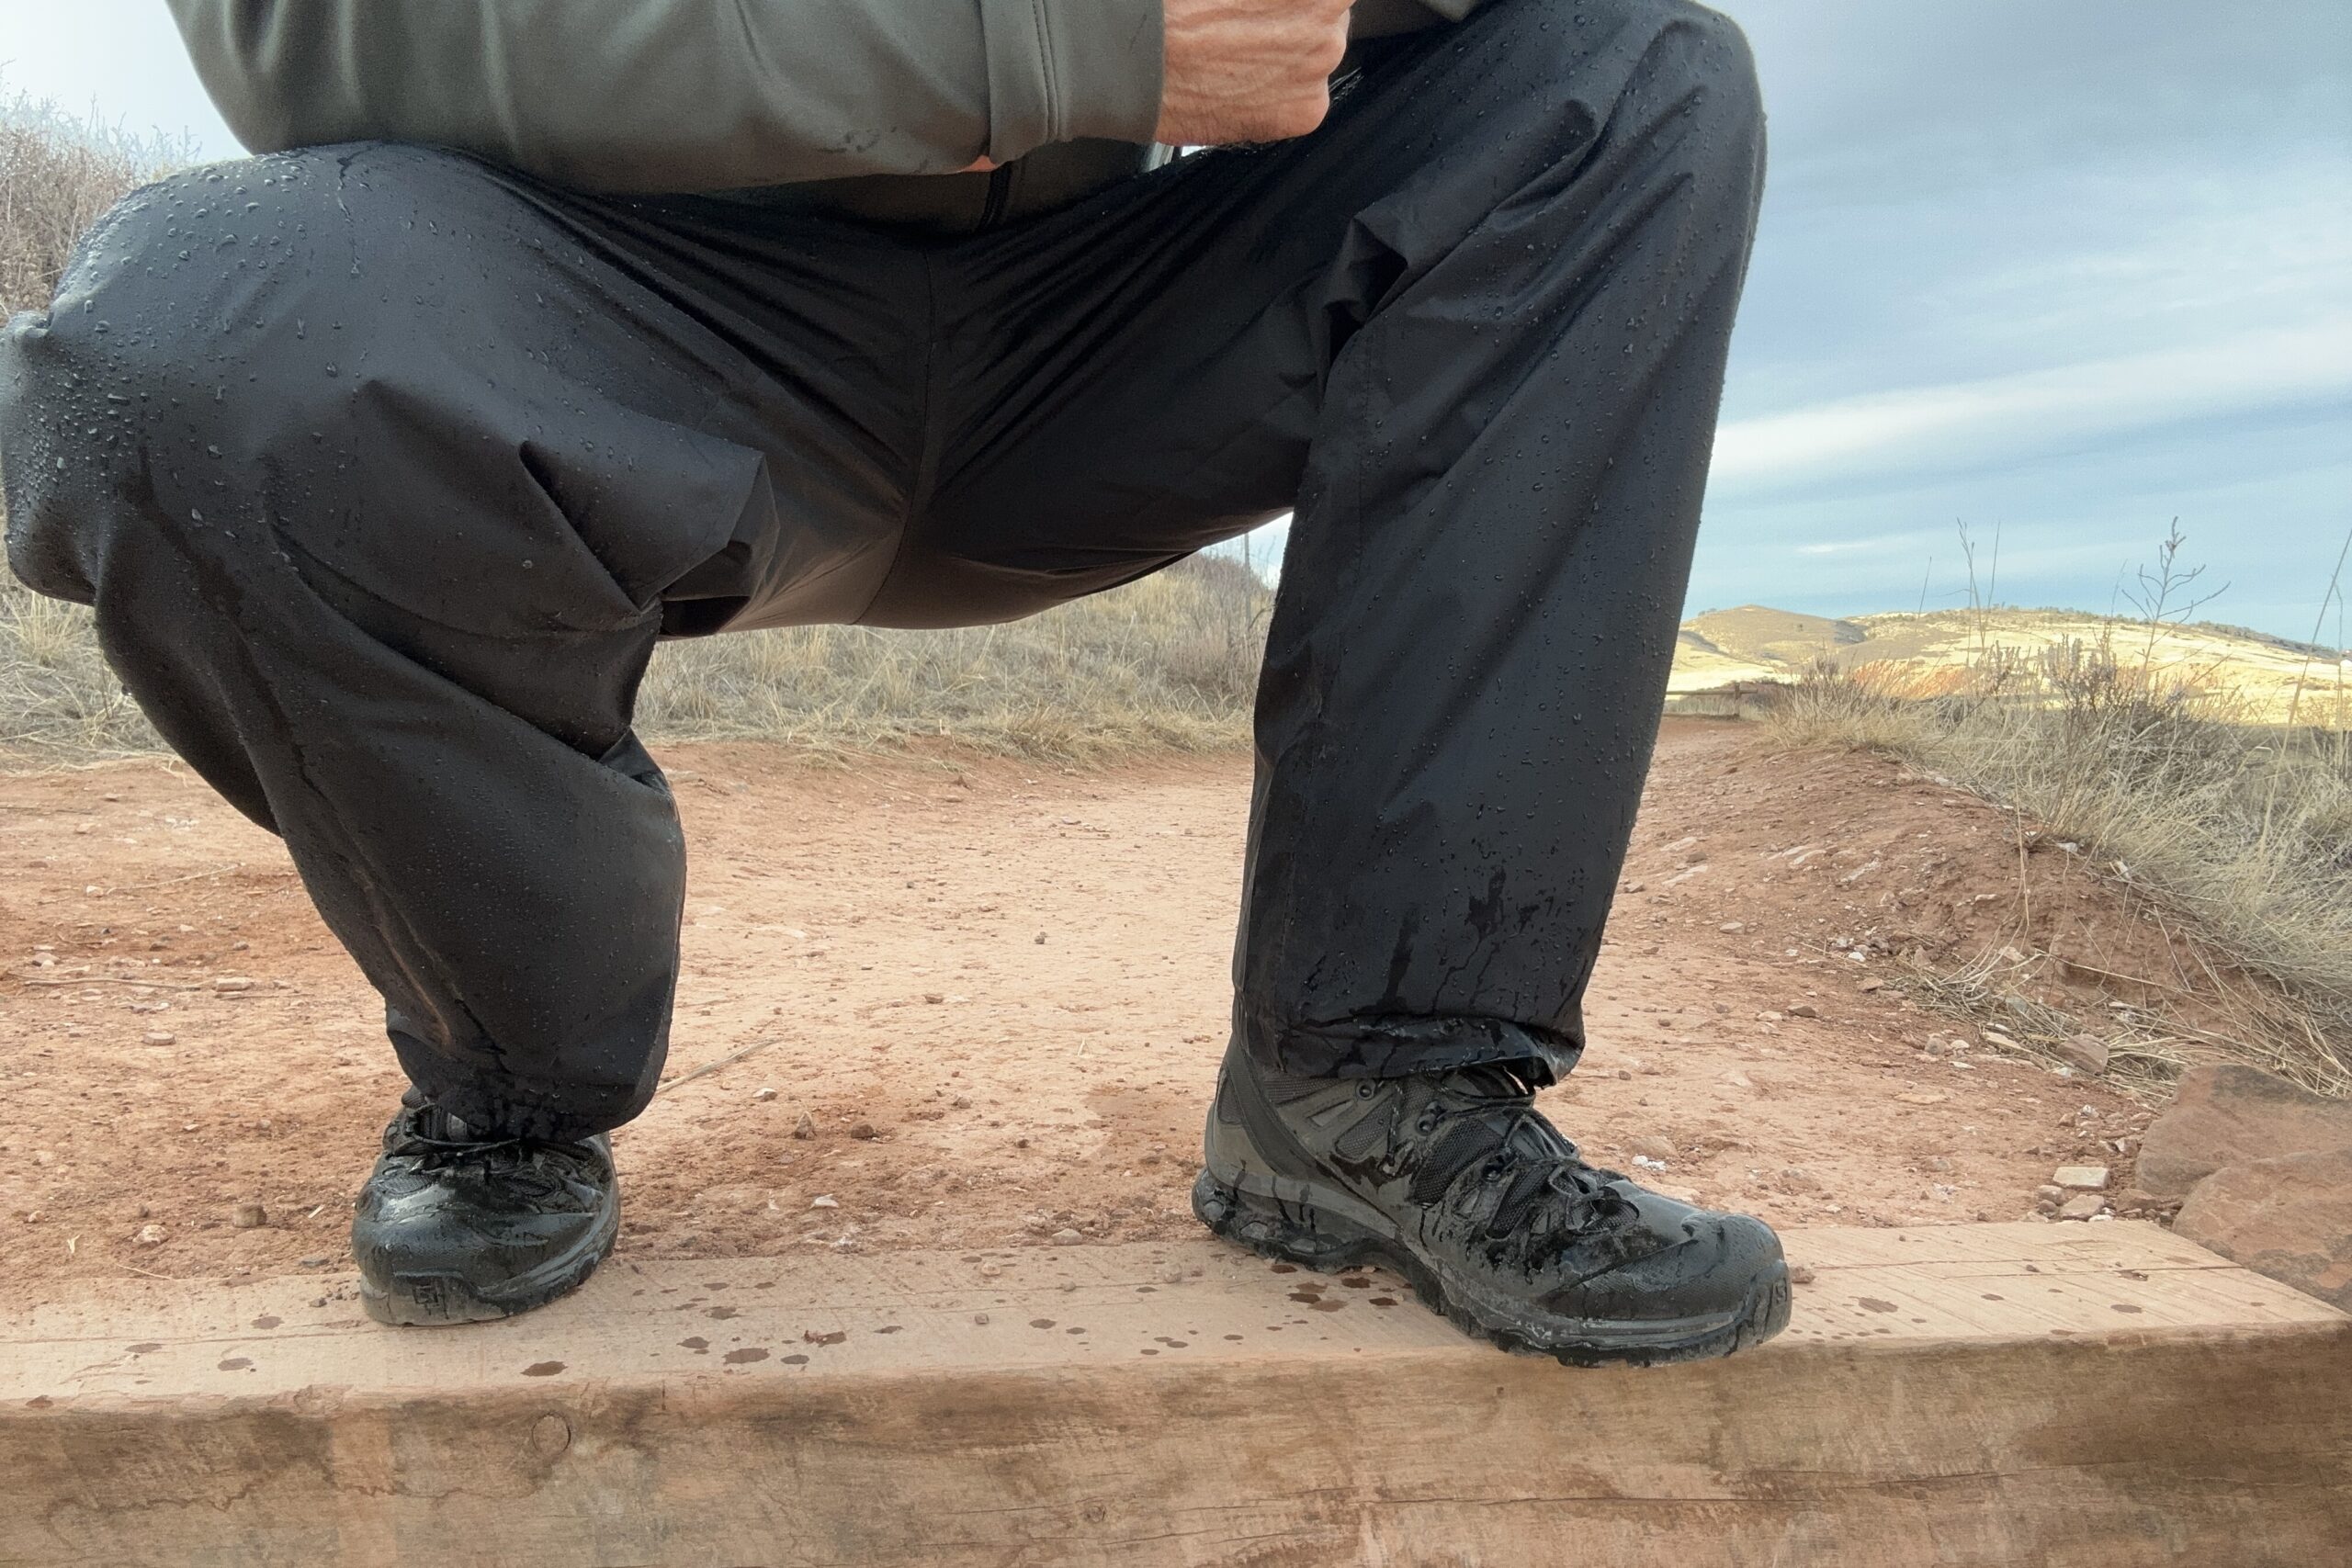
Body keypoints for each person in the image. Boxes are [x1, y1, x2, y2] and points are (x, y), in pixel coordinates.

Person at [0, 0, 1785, 1363]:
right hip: (611, 321)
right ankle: (509, 1079)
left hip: (1103, 320)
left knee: (1626, 75)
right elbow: (323, 45)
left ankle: (1374, 1080)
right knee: (200, 327)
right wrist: (1039, 38)